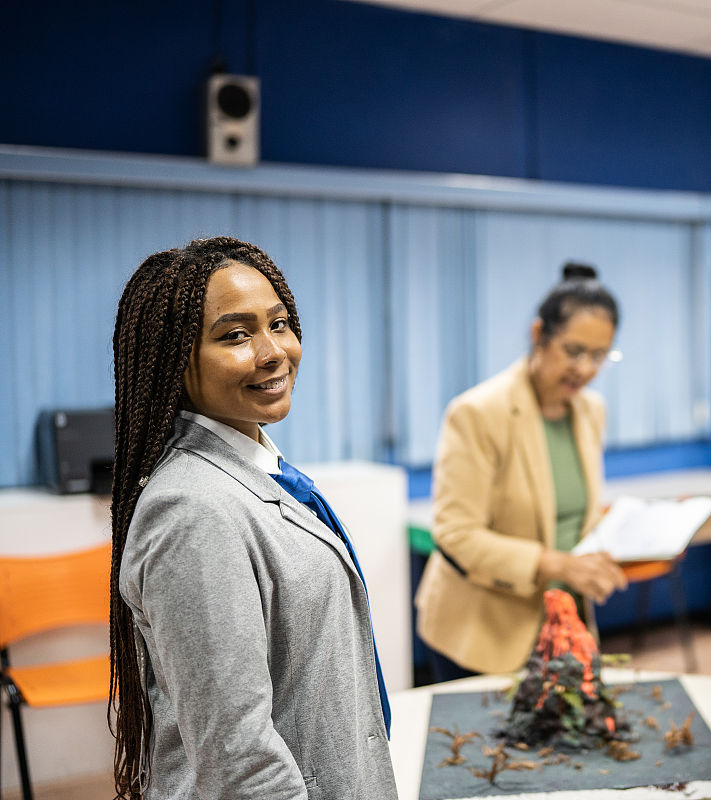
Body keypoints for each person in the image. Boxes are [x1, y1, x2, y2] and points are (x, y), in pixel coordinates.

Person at [109, 237, 398, 799]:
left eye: (280, 324)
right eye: (236, 335)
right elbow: (238, 761)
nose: (273, 352)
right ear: (173, 358)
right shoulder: (192, 512)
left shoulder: (257, 469)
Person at [415, 263, 628, 680]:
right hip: (482, 630)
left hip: (564, 621)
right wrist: (560, 565)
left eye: (599, 356)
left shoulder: (591, 412)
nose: (585, 368)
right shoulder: (479, 413)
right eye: (573, 351)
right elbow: (457, 535)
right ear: (539, 335)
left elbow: (567, 515)